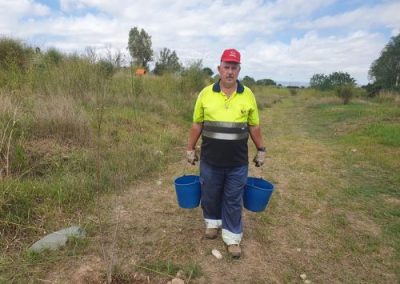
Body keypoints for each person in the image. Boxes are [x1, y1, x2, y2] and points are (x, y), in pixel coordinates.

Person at [186, 48, 265, 258]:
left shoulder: (248, 95)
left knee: (232, 198)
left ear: (239, 70)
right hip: (210, 160)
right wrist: (190, 149)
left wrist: (261, 149)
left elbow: (254, 126)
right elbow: (197, 124)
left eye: (234, 67)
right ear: (219, 69)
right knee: (210, 194)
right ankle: (212, 223)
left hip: (237, 161)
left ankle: (232, 238)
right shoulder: (205, 94)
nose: (229, 71)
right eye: (226, 67)